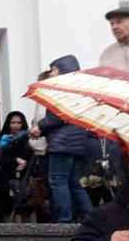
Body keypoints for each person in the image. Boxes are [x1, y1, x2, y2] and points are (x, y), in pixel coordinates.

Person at [31, 55, 95, 223]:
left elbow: (57, 117)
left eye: (53, 69)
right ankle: (90, 217)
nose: (50, 73)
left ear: (62, 70)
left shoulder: (61, 90)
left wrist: (40, 127)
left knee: (57, 181)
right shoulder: (77, 91)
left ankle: (63, 220)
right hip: (76, 140)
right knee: (74, 183)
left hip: (63, 142)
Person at [0, 111, 34, 222]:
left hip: (23, 177)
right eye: (13, 122)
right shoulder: (3, 139)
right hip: (5, 178)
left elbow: (32, 157)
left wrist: (25, 162)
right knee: (4, 206)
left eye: (19, 122)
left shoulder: (28, 139)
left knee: (24, 206)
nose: (16, 125)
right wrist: (15, 160)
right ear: (8, 124)